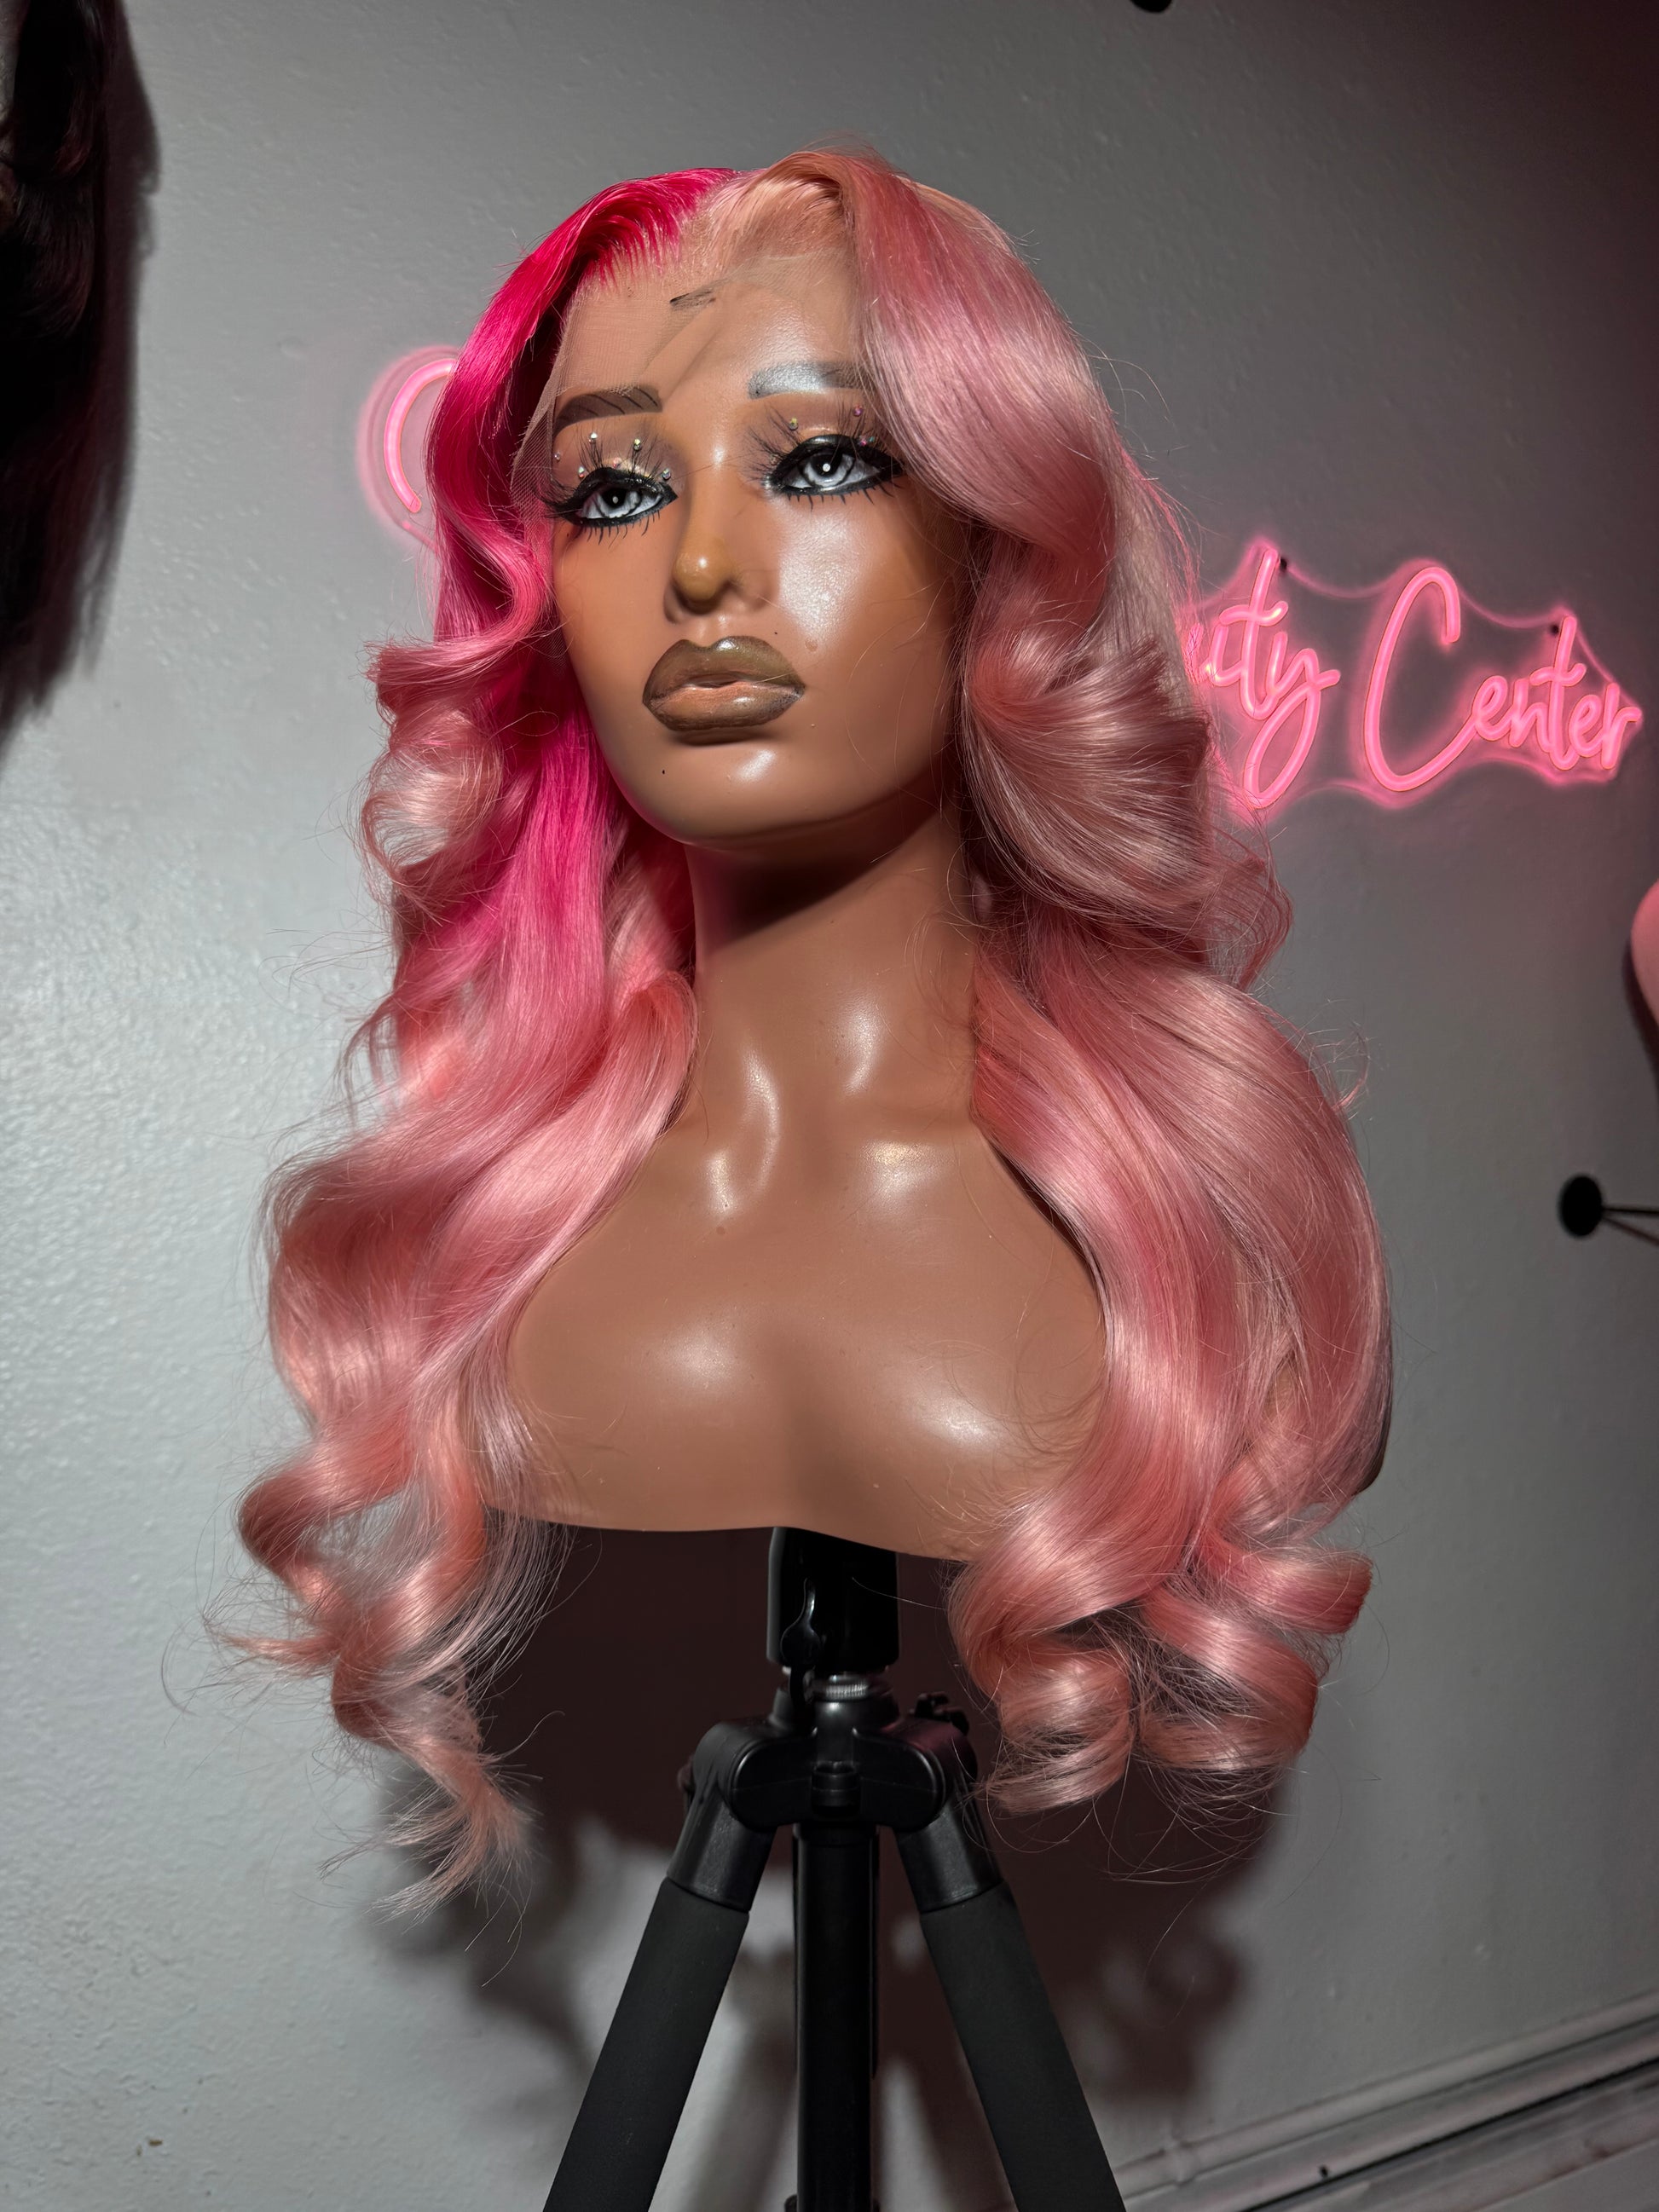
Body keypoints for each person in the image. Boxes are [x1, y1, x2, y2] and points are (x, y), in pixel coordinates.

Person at [235, 150, 1391, 1899]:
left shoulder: (1188, 1227)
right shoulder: (503, 1241)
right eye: (614, 487)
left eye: (824, 460)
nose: (703, 564)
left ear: (999, 541)